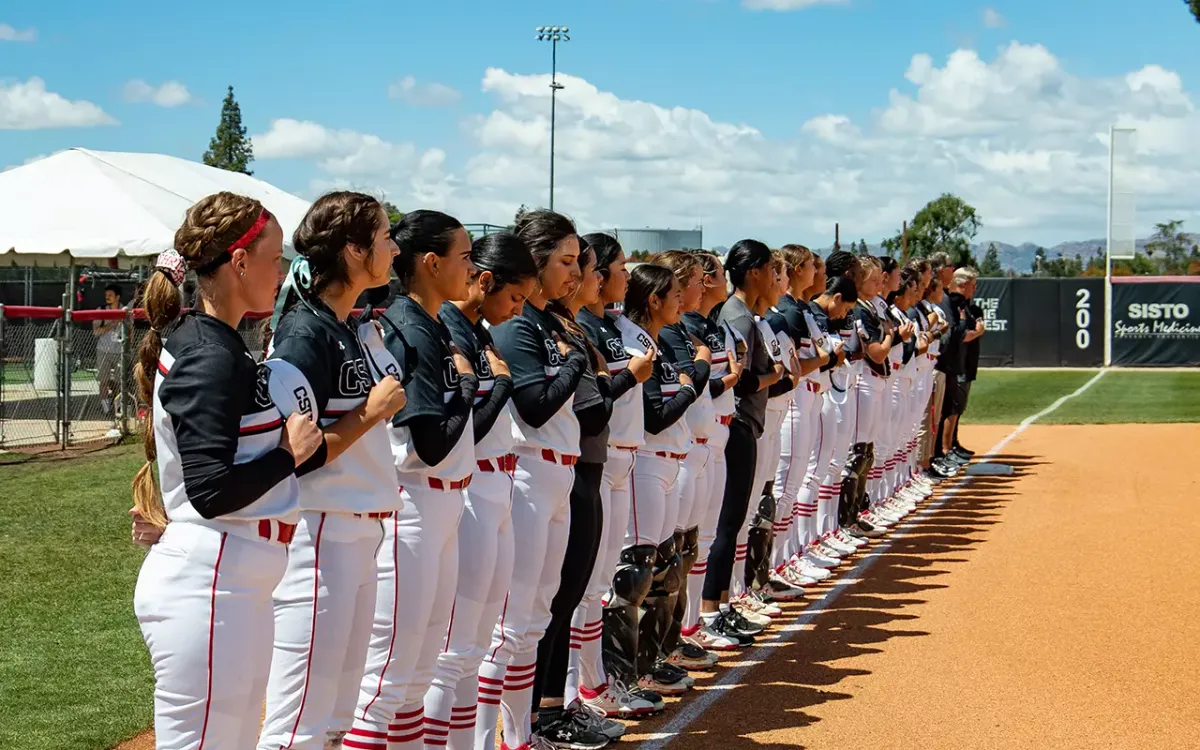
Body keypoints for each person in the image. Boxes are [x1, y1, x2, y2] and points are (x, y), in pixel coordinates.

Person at [130, 193, 323, 750]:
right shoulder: (209, 353)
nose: (282, 269)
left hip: (230, 577)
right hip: (211, 580)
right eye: (272, 256)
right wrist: (290, 454)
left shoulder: (216, 342)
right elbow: (211, 490)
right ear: (239, 262)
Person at [257, 191, 409, 750]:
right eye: (384, 238)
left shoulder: (342, 323)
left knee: (335, 717)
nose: (394, 248)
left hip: (356, 529)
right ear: (352, 251)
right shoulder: (304, 332)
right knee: (298, 724)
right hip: (320, 531)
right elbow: (293, 449)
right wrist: (371, 411)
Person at [344, 210, 479, 750]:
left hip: (441, 506)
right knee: (387, 680)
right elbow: (428, 442)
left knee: (418, 674)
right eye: (465, 255)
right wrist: (470, 390)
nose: (473, 266)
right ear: (430, 262)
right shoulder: (405, 326)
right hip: (414, 507)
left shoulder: (433, 320)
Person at [480, 209, 589, 750]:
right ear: (537, 261)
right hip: (527, 473)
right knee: (511, 622)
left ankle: (519, 735)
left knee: (537, 613)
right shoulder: (519, 323)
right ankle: (491, 738)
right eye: (565, 261)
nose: (575, 272)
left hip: (557, 475)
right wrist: (573, 366)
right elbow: (534, 405)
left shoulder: (549, 320)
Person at [425, 232, 535, 750]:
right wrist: (500, 384)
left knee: (473, 643)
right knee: (453, 650)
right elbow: (464, 424)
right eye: (513, 298)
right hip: (469, 488)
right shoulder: (450, 328)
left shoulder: (478, 331)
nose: (517, 311)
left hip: (497, 484)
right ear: (485, 280)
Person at [532, 237, 627, 749]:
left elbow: (595, 399)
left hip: (582, 462)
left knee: (567, 595)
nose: (580, 279)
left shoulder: (571, 326)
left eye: (581, 269)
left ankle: (554, 704)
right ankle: (543, 711)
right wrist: (604, 377)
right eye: (572, 267)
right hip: (566, 466)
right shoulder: (559, 327)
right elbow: (594, 403)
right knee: (553, 600)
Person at [573, 234, 660, 719]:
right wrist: (630, 374)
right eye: (620, 268)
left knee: (602, 580)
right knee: (588, 586)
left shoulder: (611, 323)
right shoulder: (583, 325)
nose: (627, 275)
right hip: (597, 459)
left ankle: (593, 684)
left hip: (622, 454)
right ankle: (582, 689)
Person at [617, 263, 699, 697]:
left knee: (663, 568)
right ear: (654, 299)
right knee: (637, 572)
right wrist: (688, 389)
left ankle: (651, 660)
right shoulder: (635, 338)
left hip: (669, 460)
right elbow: (652, 417)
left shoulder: (652, 339)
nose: (681, 301)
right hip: (645, 460)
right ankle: (627, 674)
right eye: (673, 293)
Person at [699, 240, 785, 645]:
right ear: (753, 272)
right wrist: (777, 377)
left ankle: (721, 604)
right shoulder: (739, 317)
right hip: (736, 424)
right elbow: (746, 378)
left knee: (731, 521)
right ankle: (711, 610)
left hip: (743, 422)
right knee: (727, 522)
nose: (774, 277)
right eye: (770, 269)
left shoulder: (744, 315)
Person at [649, 250, 721, 671]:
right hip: (673, 449)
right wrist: (699, 366)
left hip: (690, 446)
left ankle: (677, 635)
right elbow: (684, 386)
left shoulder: (683, 328)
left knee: (685, 550)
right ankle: (660, 647)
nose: (702, 287)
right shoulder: (671, 334)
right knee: (664, 560)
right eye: (692, 281)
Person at [677, 250, 745, 652]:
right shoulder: (684, 327)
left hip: (716, 433)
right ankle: (688, 625)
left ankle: (694, 623)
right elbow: (700, 384)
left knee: (705, 535)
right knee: (687, 542)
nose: (714, 281)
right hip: (693, 440)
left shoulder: (707, 324)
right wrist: (731, 378)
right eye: (710, 274)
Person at [769, 246, 834, 588]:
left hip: (807, 398)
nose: (816, 271)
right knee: (786, 486)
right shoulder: (787, 312)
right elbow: (795, 366)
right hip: (794, 400)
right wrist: (823, 358)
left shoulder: (799, 309)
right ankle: (778, 563)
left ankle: (790, 554)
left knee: (793, 484)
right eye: (811, 265)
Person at [935, 266, 983, 469]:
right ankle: (945, 449)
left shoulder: (965, 304)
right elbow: (956, 334)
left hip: (963, 362)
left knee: (956, 406)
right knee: (950, 409)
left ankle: (950, 446)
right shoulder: (951, 302)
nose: (974, 289)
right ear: (962, 284)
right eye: (972, 285)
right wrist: (976, 332)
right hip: (951, 363)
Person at [93, 283, 125, 415]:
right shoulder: (100, 310)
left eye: (110, 295)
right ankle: (105, 407)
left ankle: (118, 408)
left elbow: (131, 330)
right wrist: (112, 324)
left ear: (117, 297)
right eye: (106, 295)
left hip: (120, 351)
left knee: (119, 381)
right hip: (103, 350)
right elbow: (96, 332)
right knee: (104, 380)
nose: (107, 298)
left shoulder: (124, 310)